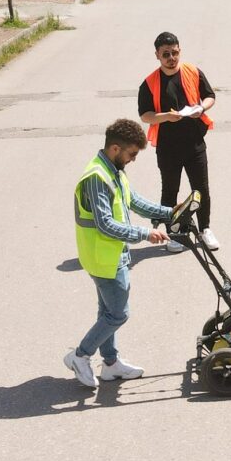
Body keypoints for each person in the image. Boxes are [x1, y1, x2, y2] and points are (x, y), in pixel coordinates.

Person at [65, 119, 174, 388]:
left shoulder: (112, 170)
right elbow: (105, 224)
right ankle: (80, 356)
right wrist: (144, 234)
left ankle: (111, 364)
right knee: (118, 314)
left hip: (112, 254)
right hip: (104, 257)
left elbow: (133, 200)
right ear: (115, 148)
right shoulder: (97, 178)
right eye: (132, 154)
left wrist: (170, 212)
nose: (133, 160)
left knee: (107, 313)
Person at [138, 31, 219, 253]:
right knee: (170, 191)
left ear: (179, 51)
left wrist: (201, 108)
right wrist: (165, 116)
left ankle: (206, 229)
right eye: (166, 54)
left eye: (174, 53)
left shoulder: (192, 71)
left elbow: (210, 96)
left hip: (195, 144)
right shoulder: (149, 83)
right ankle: (173, 234)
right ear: (157, 55)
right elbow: (145, 115)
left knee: (201, 188)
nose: (171, 58)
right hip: (168, 148)